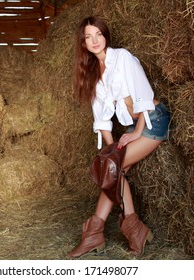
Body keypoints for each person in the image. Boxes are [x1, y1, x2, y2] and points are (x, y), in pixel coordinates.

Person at [68, 16, 171, 258]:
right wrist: (111, 149)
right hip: (137, 122)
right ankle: (98, 232)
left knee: (114, 167)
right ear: (83, 43)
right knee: (112, 169)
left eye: (98, 34)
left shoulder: (122, 57)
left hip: (152, 119)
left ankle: (126, 229)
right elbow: (101, 118)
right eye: (88, 37)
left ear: (105, 36)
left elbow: (144, 94)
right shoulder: (92, 73)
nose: (94, 41)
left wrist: (136, 132)